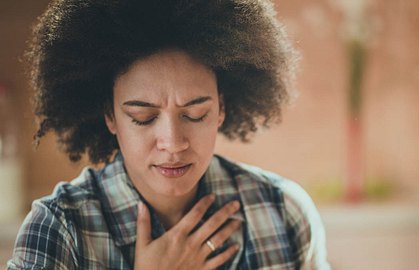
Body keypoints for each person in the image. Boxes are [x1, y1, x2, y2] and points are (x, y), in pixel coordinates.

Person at [8, 0, 331, 269]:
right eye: (143, 117)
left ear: (221, 108)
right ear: (110, 115)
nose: (173, 143)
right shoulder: (59, 229)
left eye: (195, 114)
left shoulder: (284, 209)